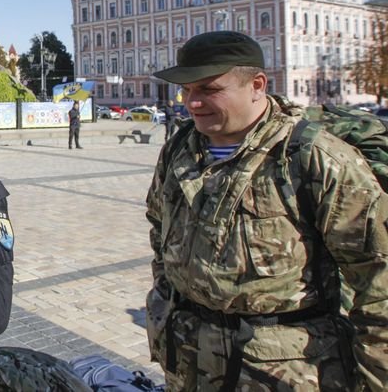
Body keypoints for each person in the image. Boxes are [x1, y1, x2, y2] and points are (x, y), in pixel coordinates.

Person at [145, 30, 388, 390]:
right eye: (187, 91)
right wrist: (166, 298)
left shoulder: (314, 157)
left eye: (209, 90)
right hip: (188, 360)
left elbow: (378, 283)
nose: (192, 103)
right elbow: (158, 228)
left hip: (282, 371)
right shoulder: (180, 149)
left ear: (257, 85)